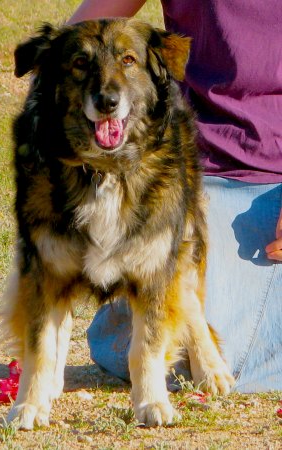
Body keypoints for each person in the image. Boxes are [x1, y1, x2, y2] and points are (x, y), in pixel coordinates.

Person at [67, 0, 282, 392]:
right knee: (205, 353)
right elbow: (75, 40)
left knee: (213, 350)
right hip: (200, 174)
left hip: (275, 178)